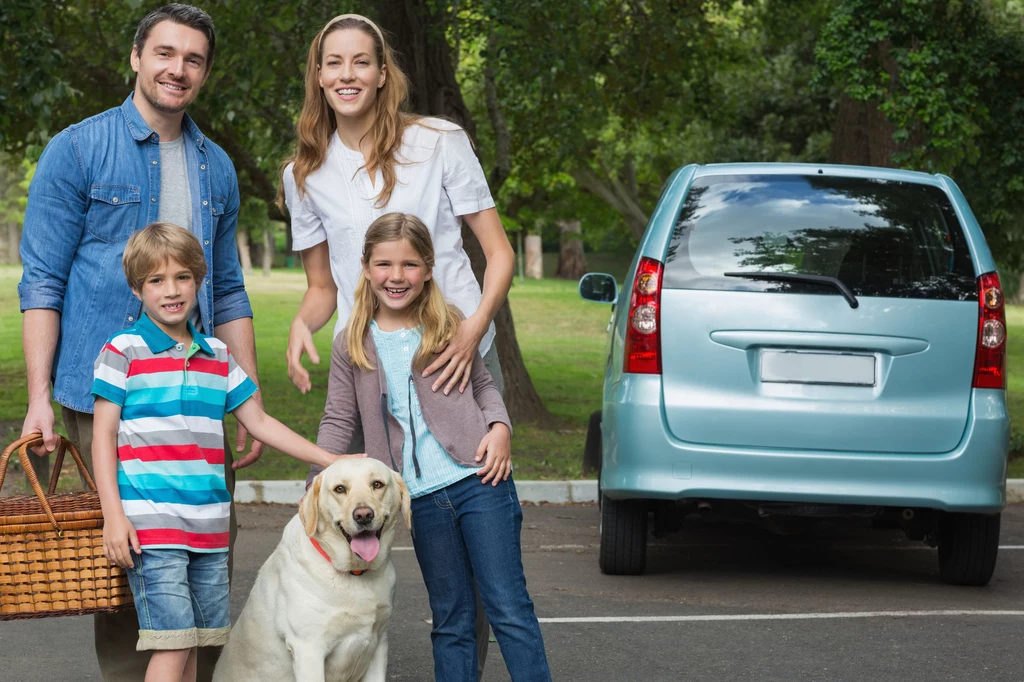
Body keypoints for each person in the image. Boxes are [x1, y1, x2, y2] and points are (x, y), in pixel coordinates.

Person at [17, 5, 260, 679]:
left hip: (198, 398)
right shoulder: (79, 148)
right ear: (136, 57)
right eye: (164, 52)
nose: (176, 68)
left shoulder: (217, 168)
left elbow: (231, 289)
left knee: (207, 562)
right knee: (126, 567)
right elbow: (41, 280)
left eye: (192, 59)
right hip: (109, 398)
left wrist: (251, 396)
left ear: (205, 72)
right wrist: (38, 397)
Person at [281, 13, 516, 674]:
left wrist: (471, 335)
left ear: (384, 73)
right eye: (334, 63)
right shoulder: (302, 171)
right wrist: (305, 321)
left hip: (454, 355)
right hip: (374, 361)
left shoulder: (439, 141)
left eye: (361, 62)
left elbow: (497, 256)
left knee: (480, 548)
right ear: (318, 75)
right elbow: (325, 286)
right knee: (388, 518)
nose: (347, 75)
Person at [93, 223, 344, 682]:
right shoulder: (122, 351)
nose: (172, 291)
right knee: (173, 644)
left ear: (200, 279)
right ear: (136, 288)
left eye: (183, 277)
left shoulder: (218, 356)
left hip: (209, 529)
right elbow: (103, 437)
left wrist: (332, 461)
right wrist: (114, 514)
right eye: (156, 280)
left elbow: (261, 423)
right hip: (153, 528)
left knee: (196, 648)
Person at [313, 213, 551, 682]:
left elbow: (483, 387)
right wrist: (315, 485)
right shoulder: (352, 345)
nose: (395, 277)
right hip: (418, 501)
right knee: (451, 620)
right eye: (384, 264)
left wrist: (500, 426)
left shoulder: (448, 324)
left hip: (480, 480)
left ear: (427, 268)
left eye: (409, 265)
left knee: (508, 609)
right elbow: (339, 420)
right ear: (364, 267)